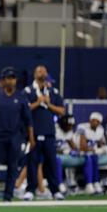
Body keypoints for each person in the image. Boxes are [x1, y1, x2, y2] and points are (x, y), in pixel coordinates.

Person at [0, 67, 34, 202]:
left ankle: (8, 198)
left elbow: (28, 120)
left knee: (12, 167)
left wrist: (31, 138)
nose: (11, 80)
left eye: (13, 78)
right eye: (8, 78)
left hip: (15, 137)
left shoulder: (21, 97)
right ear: (3, 80)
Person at [23, 65, 66, 201]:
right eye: (38, 71)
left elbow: (61, 111)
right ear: (34, 74)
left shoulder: (52, 91)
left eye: (43, 71)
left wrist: (48, 104)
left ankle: (55, 190)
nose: (40, 73)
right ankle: (30, 190)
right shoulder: (28, 91)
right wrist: (38, 102)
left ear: (47, 73)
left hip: (49, 133)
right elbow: (24, 110)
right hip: (33, 133)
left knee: (51, 163)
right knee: (32, 162)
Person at [75, 112, 107, 194]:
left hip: (95, 153)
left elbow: (102, 143)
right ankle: (90, 184)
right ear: (90, 120)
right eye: (93, 120)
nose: (95, 123)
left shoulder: (100, 129)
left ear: (99, 122)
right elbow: (82, 146)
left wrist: (102, 148)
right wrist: (95, 150)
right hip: (82, 153)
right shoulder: (82, 127)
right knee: (91, 157)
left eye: (97, 121)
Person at [55, 114, 86, 194]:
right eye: (69, 125)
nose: (70, 127)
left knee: (86, 158)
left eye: (71, 125)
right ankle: (60, 184)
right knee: (57, 160)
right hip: (54, 155)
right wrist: (66, 151)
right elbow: (50, 148)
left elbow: (72, 144)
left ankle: (73, 182)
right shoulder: (54, 129)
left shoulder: (69, 132)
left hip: (64, 155)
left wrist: (78, 151)